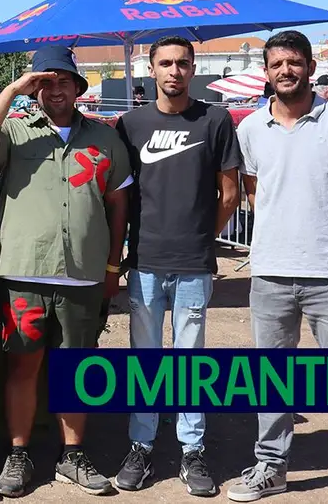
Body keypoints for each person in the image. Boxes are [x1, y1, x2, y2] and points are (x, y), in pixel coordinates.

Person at [0, 45, 131, 498]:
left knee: (77, 369)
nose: (55, 89)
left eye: (64, 81)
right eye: (46, 81)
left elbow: (119, 205)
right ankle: (18, 455)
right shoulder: (16, 134)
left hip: (83, 274)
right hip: (24, 273)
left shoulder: (105, 138)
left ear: (78, 88)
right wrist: (15, 88)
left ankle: (72, 455)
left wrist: (114, 265)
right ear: (34, 88)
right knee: (22, 367)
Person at [228, 31, 328, 504]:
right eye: (277, 64)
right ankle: (270, 467)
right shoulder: (251, 129)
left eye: (294, 62)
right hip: (270, 272)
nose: (285, 71)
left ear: (310, 67)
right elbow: (256, 194)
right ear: (267, 71)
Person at [111, 36, 241, 497]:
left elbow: (230, 193)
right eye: (165, 63)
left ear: (193, 67)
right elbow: (120, 195)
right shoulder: (129, 124)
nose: (174, 71)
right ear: (151, 69)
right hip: (144, 261)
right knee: (144, 359)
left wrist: (203, 235)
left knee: (191, 359)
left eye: (182, 63)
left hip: (193, 263)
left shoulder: (216, 119)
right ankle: (141, 445)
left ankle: (192, 450)